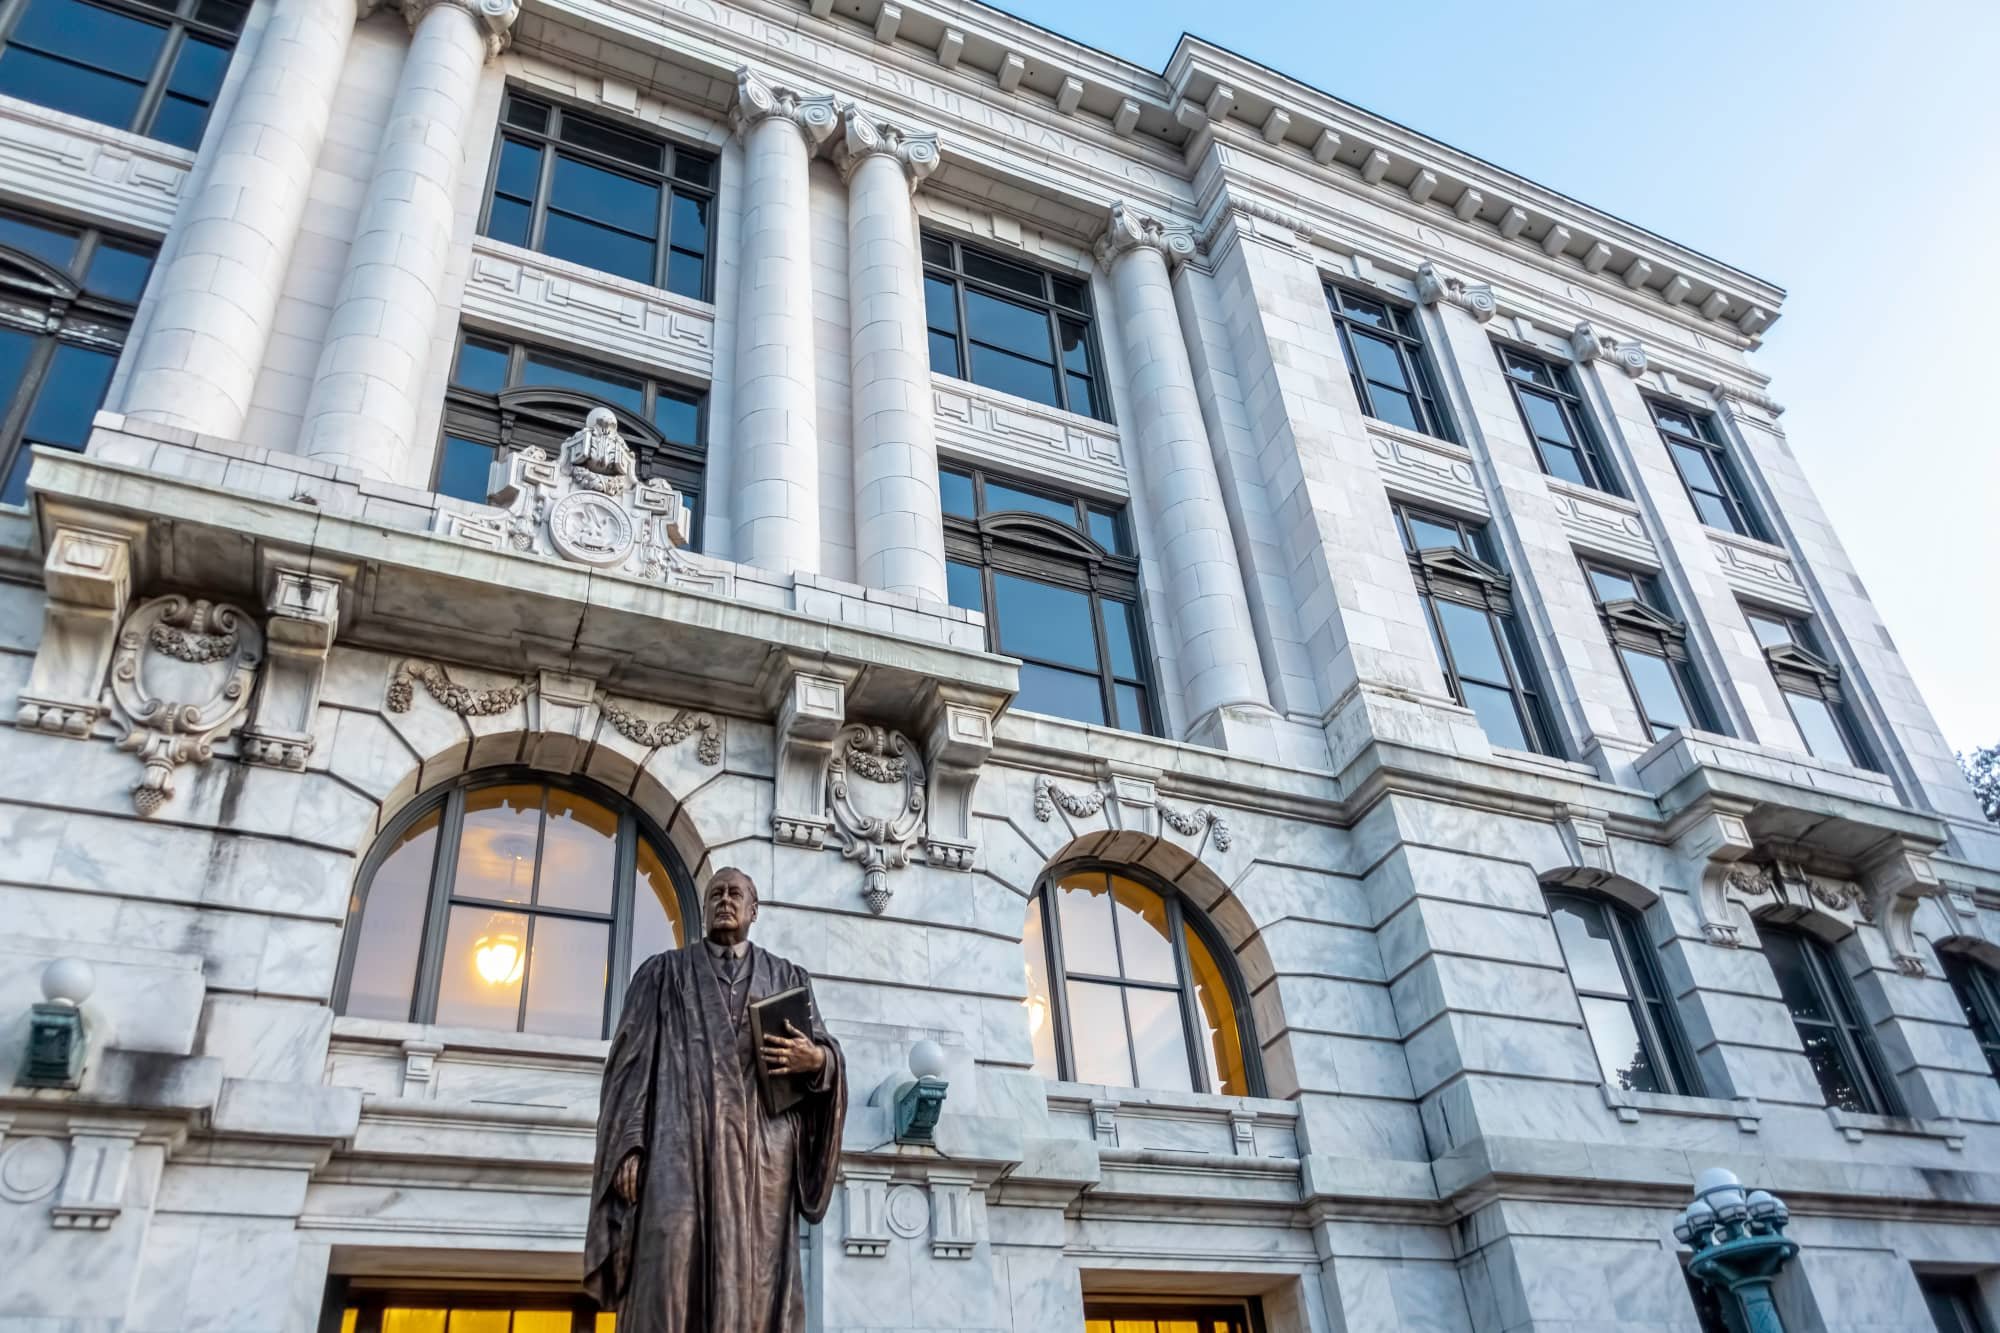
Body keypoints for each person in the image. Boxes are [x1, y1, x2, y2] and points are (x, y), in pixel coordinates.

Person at [585, 867, 845, 1331]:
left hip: (762, 1157)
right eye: (715, 894)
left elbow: (825, 1055)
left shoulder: (787, 978)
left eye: (735, 893)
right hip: (677, 1143)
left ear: (754, 909)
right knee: (667, 1259)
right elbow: (630, 1065)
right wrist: (630, 1144)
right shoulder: (662, 974)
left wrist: (817, 1061)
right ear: (704, 908)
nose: (725, 901)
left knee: (756, 1279)